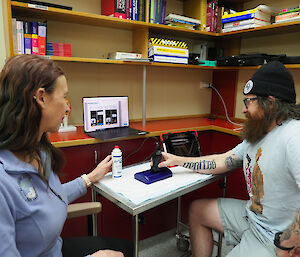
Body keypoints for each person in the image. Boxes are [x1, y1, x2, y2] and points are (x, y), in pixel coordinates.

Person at [158, 61, 300, 257]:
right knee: (198, 210)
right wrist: (177, 160)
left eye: (249, 101)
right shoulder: (259, 132)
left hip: (274, 236)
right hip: (253, 218)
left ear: (271, 103)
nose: (243, 109)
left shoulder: (294, 136)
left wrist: (287, 243)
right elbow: (223, 161)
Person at [0, 55, 133, 257]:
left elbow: (48, 198)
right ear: (41, 97)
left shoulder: (38, 150)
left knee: (126, 249)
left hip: (55, 249)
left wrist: (89, 178)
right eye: (64, 97)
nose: (68, 107)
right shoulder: (3, 182)